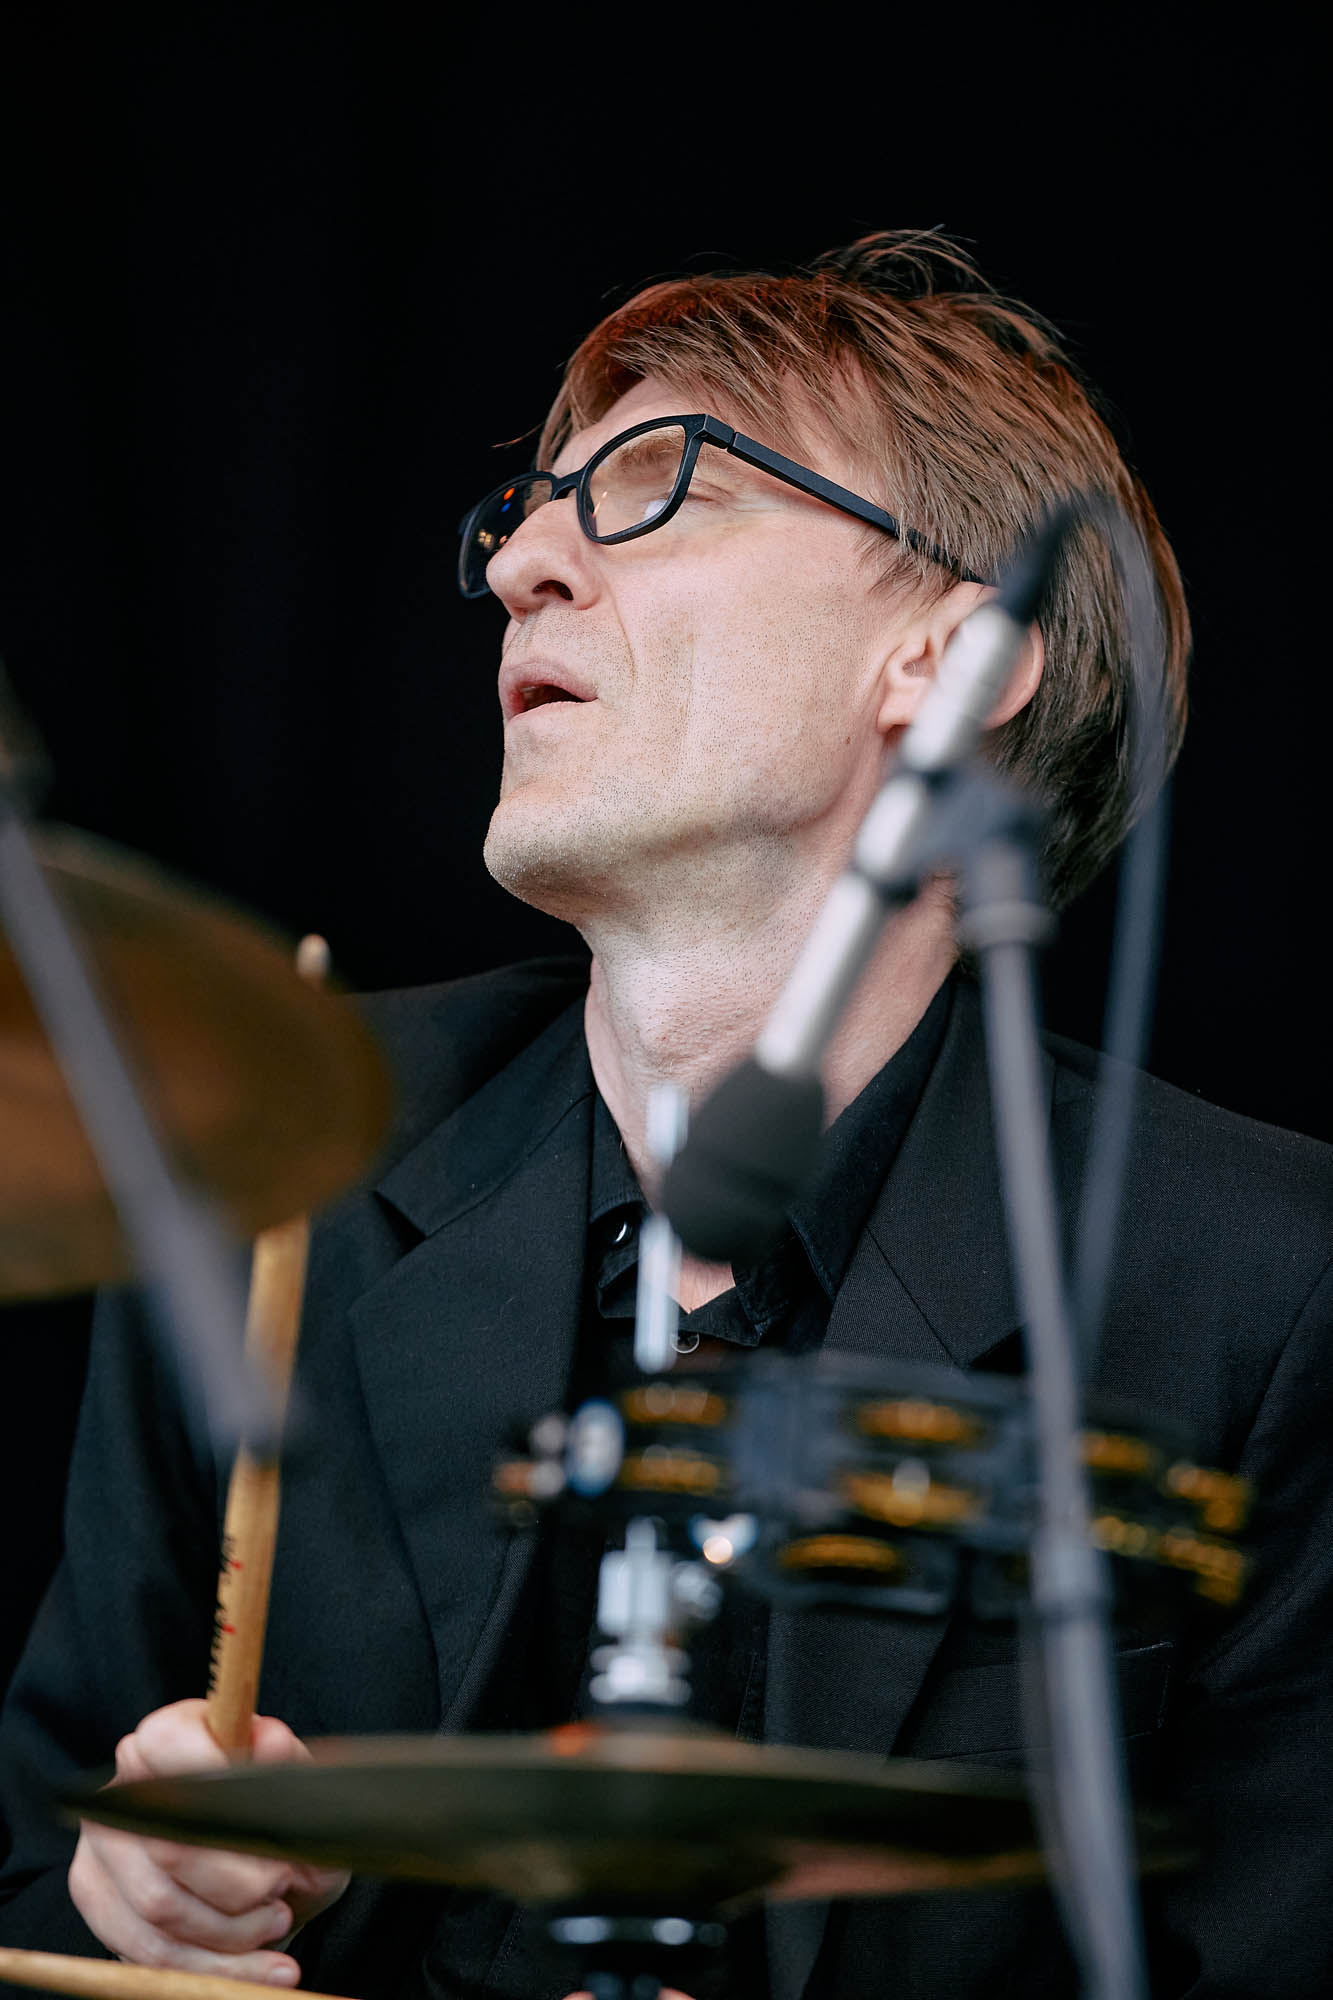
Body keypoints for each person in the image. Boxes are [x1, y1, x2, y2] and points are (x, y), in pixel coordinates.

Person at [2, 231, 1330, 2000]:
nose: (522, 566)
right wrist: (130, 1890)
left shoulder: (1259, 1294)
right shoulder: (271, 1165)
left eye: (660, 487)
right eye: (528, 513)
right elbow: (30, 1870)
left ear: (948, 659)